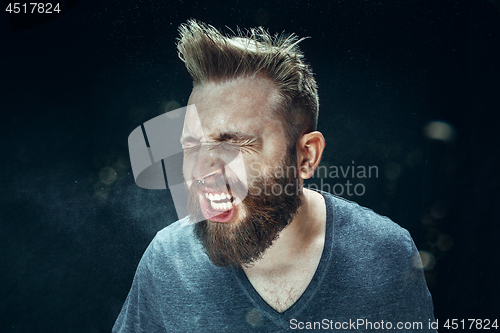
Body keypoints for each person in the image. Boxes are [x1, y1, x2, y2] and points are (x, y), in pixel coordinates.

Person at [113, 19, 436, 332]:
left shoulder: (384, 256)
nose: (200, 171)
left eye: (235, 144)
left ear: (306, 156)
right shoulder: (168, 262)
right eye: (192, 145)